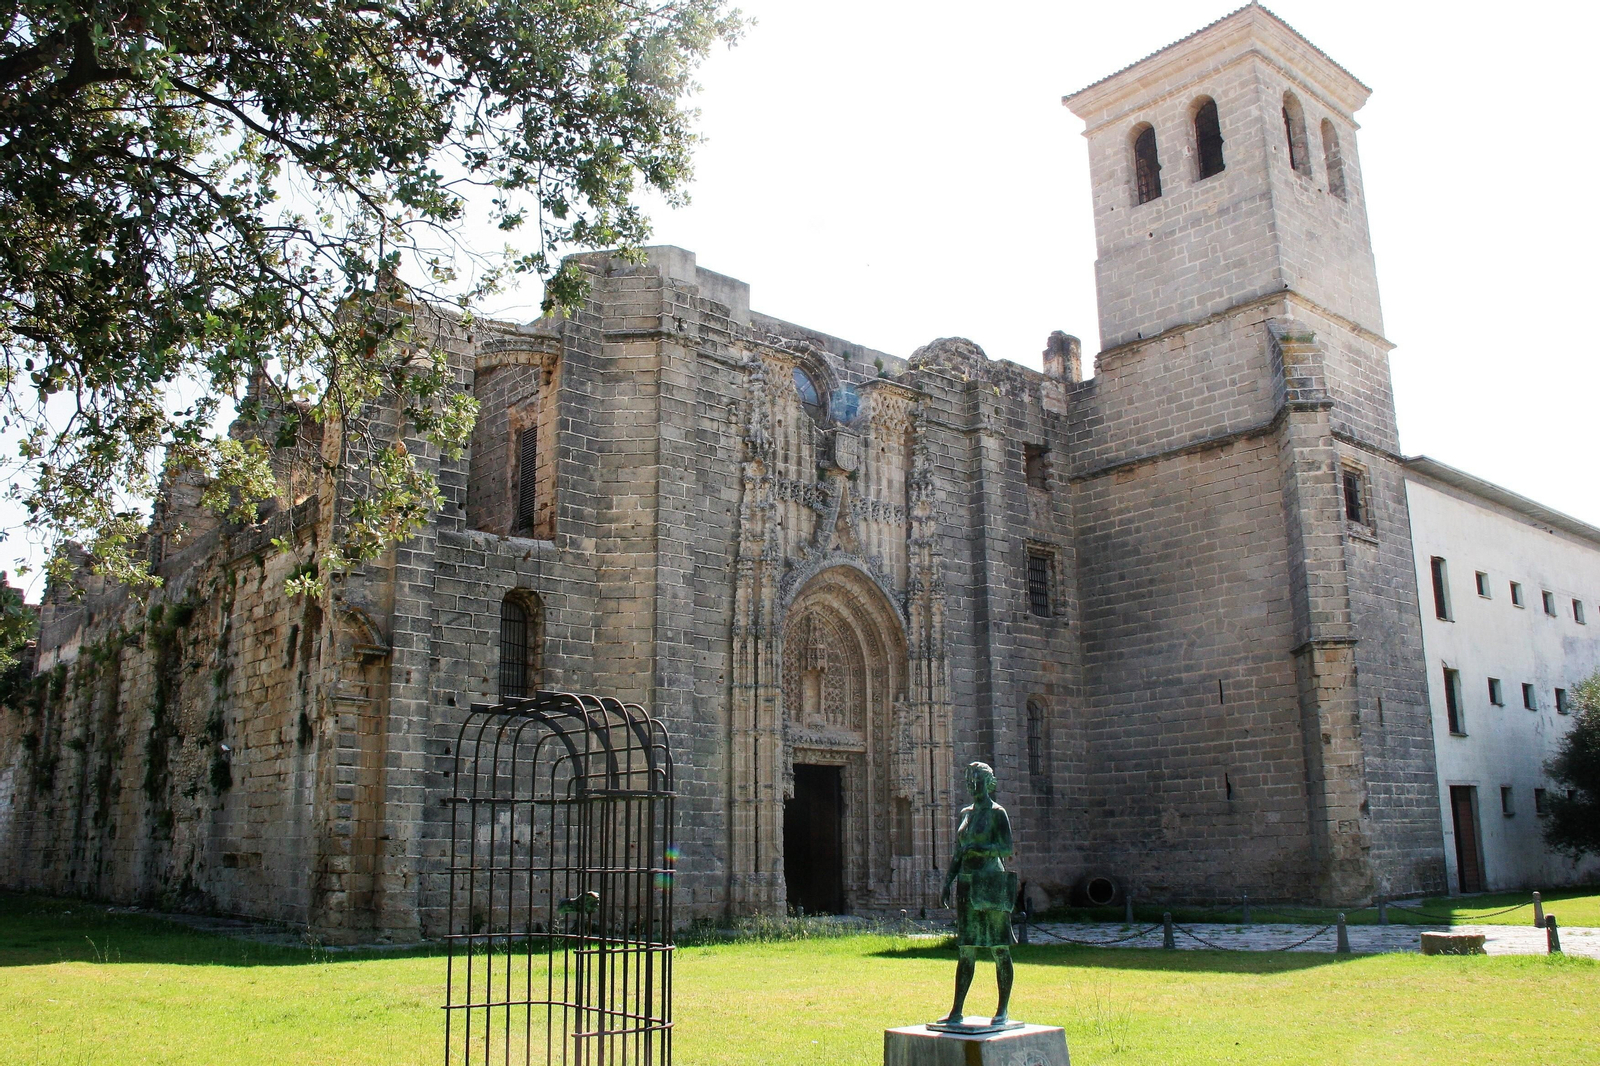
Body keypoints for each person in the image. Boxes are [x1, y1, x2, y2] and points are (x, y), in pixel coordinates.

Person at [938, 761, 1017, 1026]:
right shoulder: (966, 813)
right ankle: (956, 1010)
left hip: (991, 881)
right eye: (970, 781)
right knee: (966, 948)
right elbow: (959, 852)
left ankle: (1002, 1009)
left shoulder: (997, 813)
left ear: (989, 783)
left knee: (999, 947)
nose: (973, 786)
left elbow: (1007, 848)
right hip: (968, 881)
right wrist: (947, 881)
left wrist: (981, 849)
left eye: (978, 781)